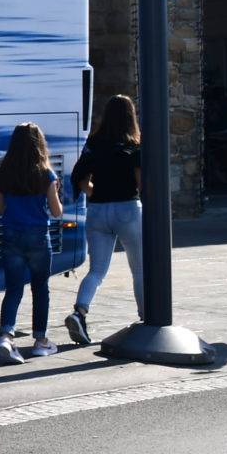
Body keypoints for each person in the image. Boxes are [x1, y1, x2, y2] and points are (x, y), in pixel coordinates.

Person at [66, 94, 145, 344]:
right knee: (140, 269)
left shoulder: (94, 143)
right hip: (127, 208)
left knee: (97, 271)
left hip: (98, 210)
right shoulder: (134, 145)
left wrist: (95, 193)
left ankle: (79, 312)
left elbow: (80, 178)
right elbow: (141, 182)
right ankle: (146, 317)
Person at [0, 121, 62, 364]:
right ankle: (41, 341)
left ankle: (6, 336)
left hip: (11, 234)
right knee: (40, 289)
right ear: (39, 145)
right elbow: (56, 211)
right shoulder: (46, 174)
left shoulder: (3, 174)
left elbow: (1, 209)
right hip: (38, 236)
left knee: (13, 289)